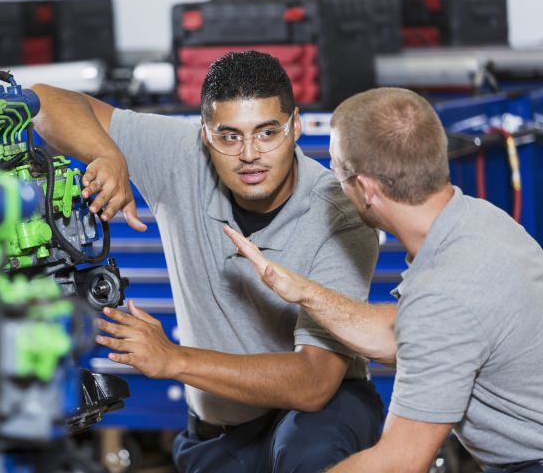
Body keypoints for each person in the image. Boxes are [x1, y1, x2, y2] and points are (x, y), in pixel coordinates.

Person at [32, 51, 383, 472]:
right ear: (204, 134)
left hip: (318, 416)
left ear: (296, 128)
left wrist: (173, 359)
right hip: (219, 431)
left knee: (309, 451)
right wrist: (106, 153)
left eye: (267, 132)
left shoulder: (339, 217)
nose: (250, 153)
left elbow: (314, 383)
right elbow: (40, 100)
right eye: (229, 136)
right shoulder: (182, 158)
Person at [225, 87, 543, 472]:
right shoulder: (479, 221)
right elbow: (409, 334)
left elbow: (399, 463)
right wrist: (302, 292)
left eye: (337, 172)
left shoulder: (444, 293)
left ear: (367, 189)